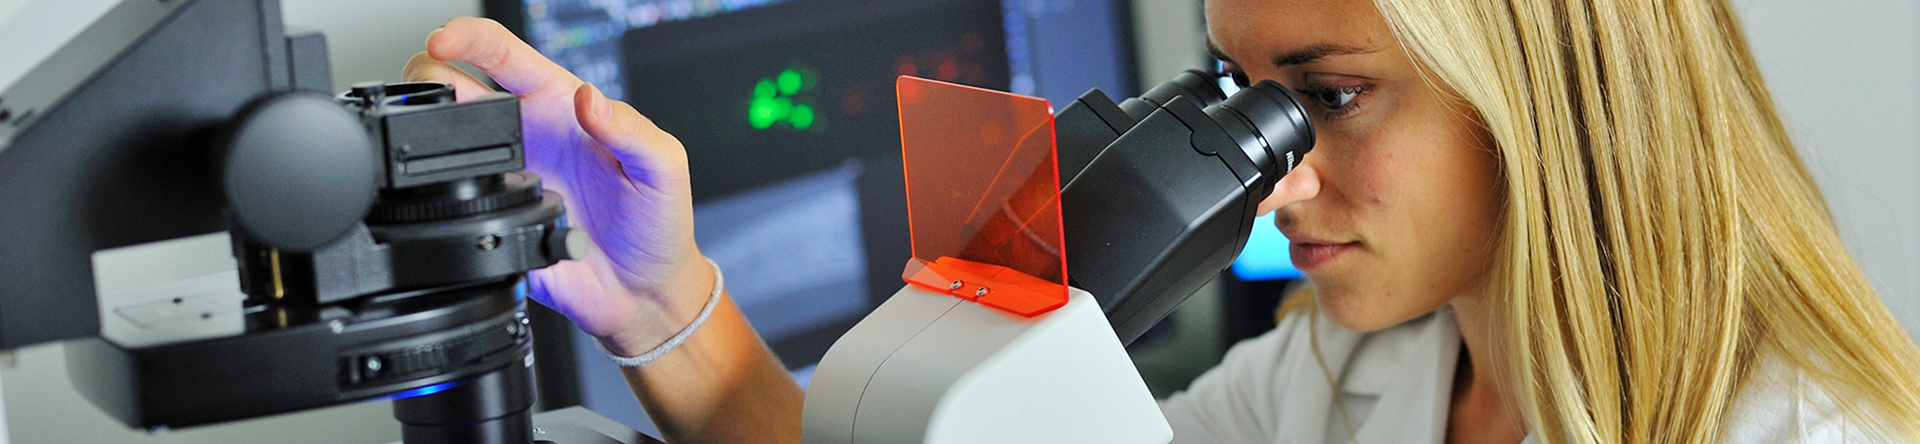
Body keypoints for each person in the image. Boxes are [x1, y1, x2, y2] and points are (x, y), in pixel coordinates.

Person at [402, 0, 1920, 442]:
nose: (1274, 175)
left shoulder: (1799, 436)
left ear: (1551, 94)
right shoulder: (1339, 376)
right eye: (1241, 98)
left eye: (1325, 96)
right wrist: (656, 294)